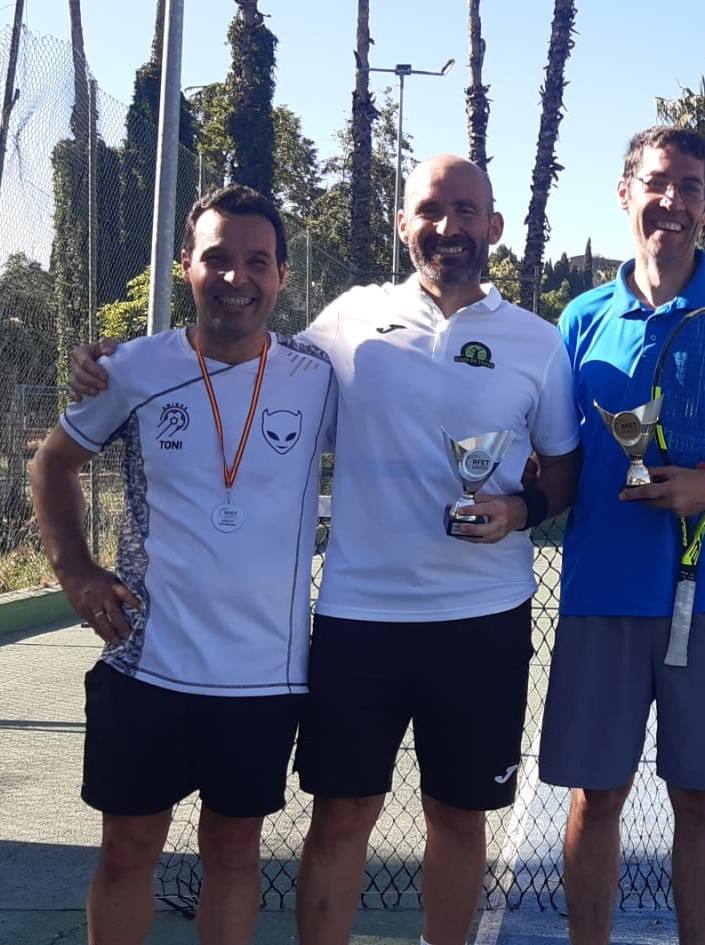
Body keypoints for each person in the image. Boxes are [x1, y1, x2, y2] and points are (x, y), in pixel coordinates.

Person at [69, 154, 582, 945]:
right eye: (430, 209)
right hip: (356, 619)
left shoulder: (538, 343)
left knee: (459, 815)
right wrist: (118, 364)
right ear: (404, 224)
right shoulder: (349, 319)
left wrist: (520, 509)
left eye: (465, 210)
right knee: (342, 815)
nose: (448, 226)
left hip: (484, 618)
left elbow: (564, 468)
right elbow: (246, 357)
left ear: (494, 225)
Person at [32, 185, 336, 945]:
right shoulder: (131, 369)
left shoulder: (319, 376)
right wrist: (76, 571)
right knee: (127, 849)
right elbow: (52, 464)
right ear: (186, 266)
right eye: (218, 258)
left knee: (233, 854)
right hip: (147, 660)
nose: (237, 277)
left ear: (282, 274)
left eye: (257, 261)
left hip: (264, 675)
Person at [538, 125, 705, 945]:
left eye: (690, 186)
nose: (672, 201)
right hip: (600, 596)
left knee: (701, 801)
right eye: (657, 183)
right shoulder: (580, 318)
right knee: (596, 797)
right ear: (626, 193)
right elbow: (552, 454)